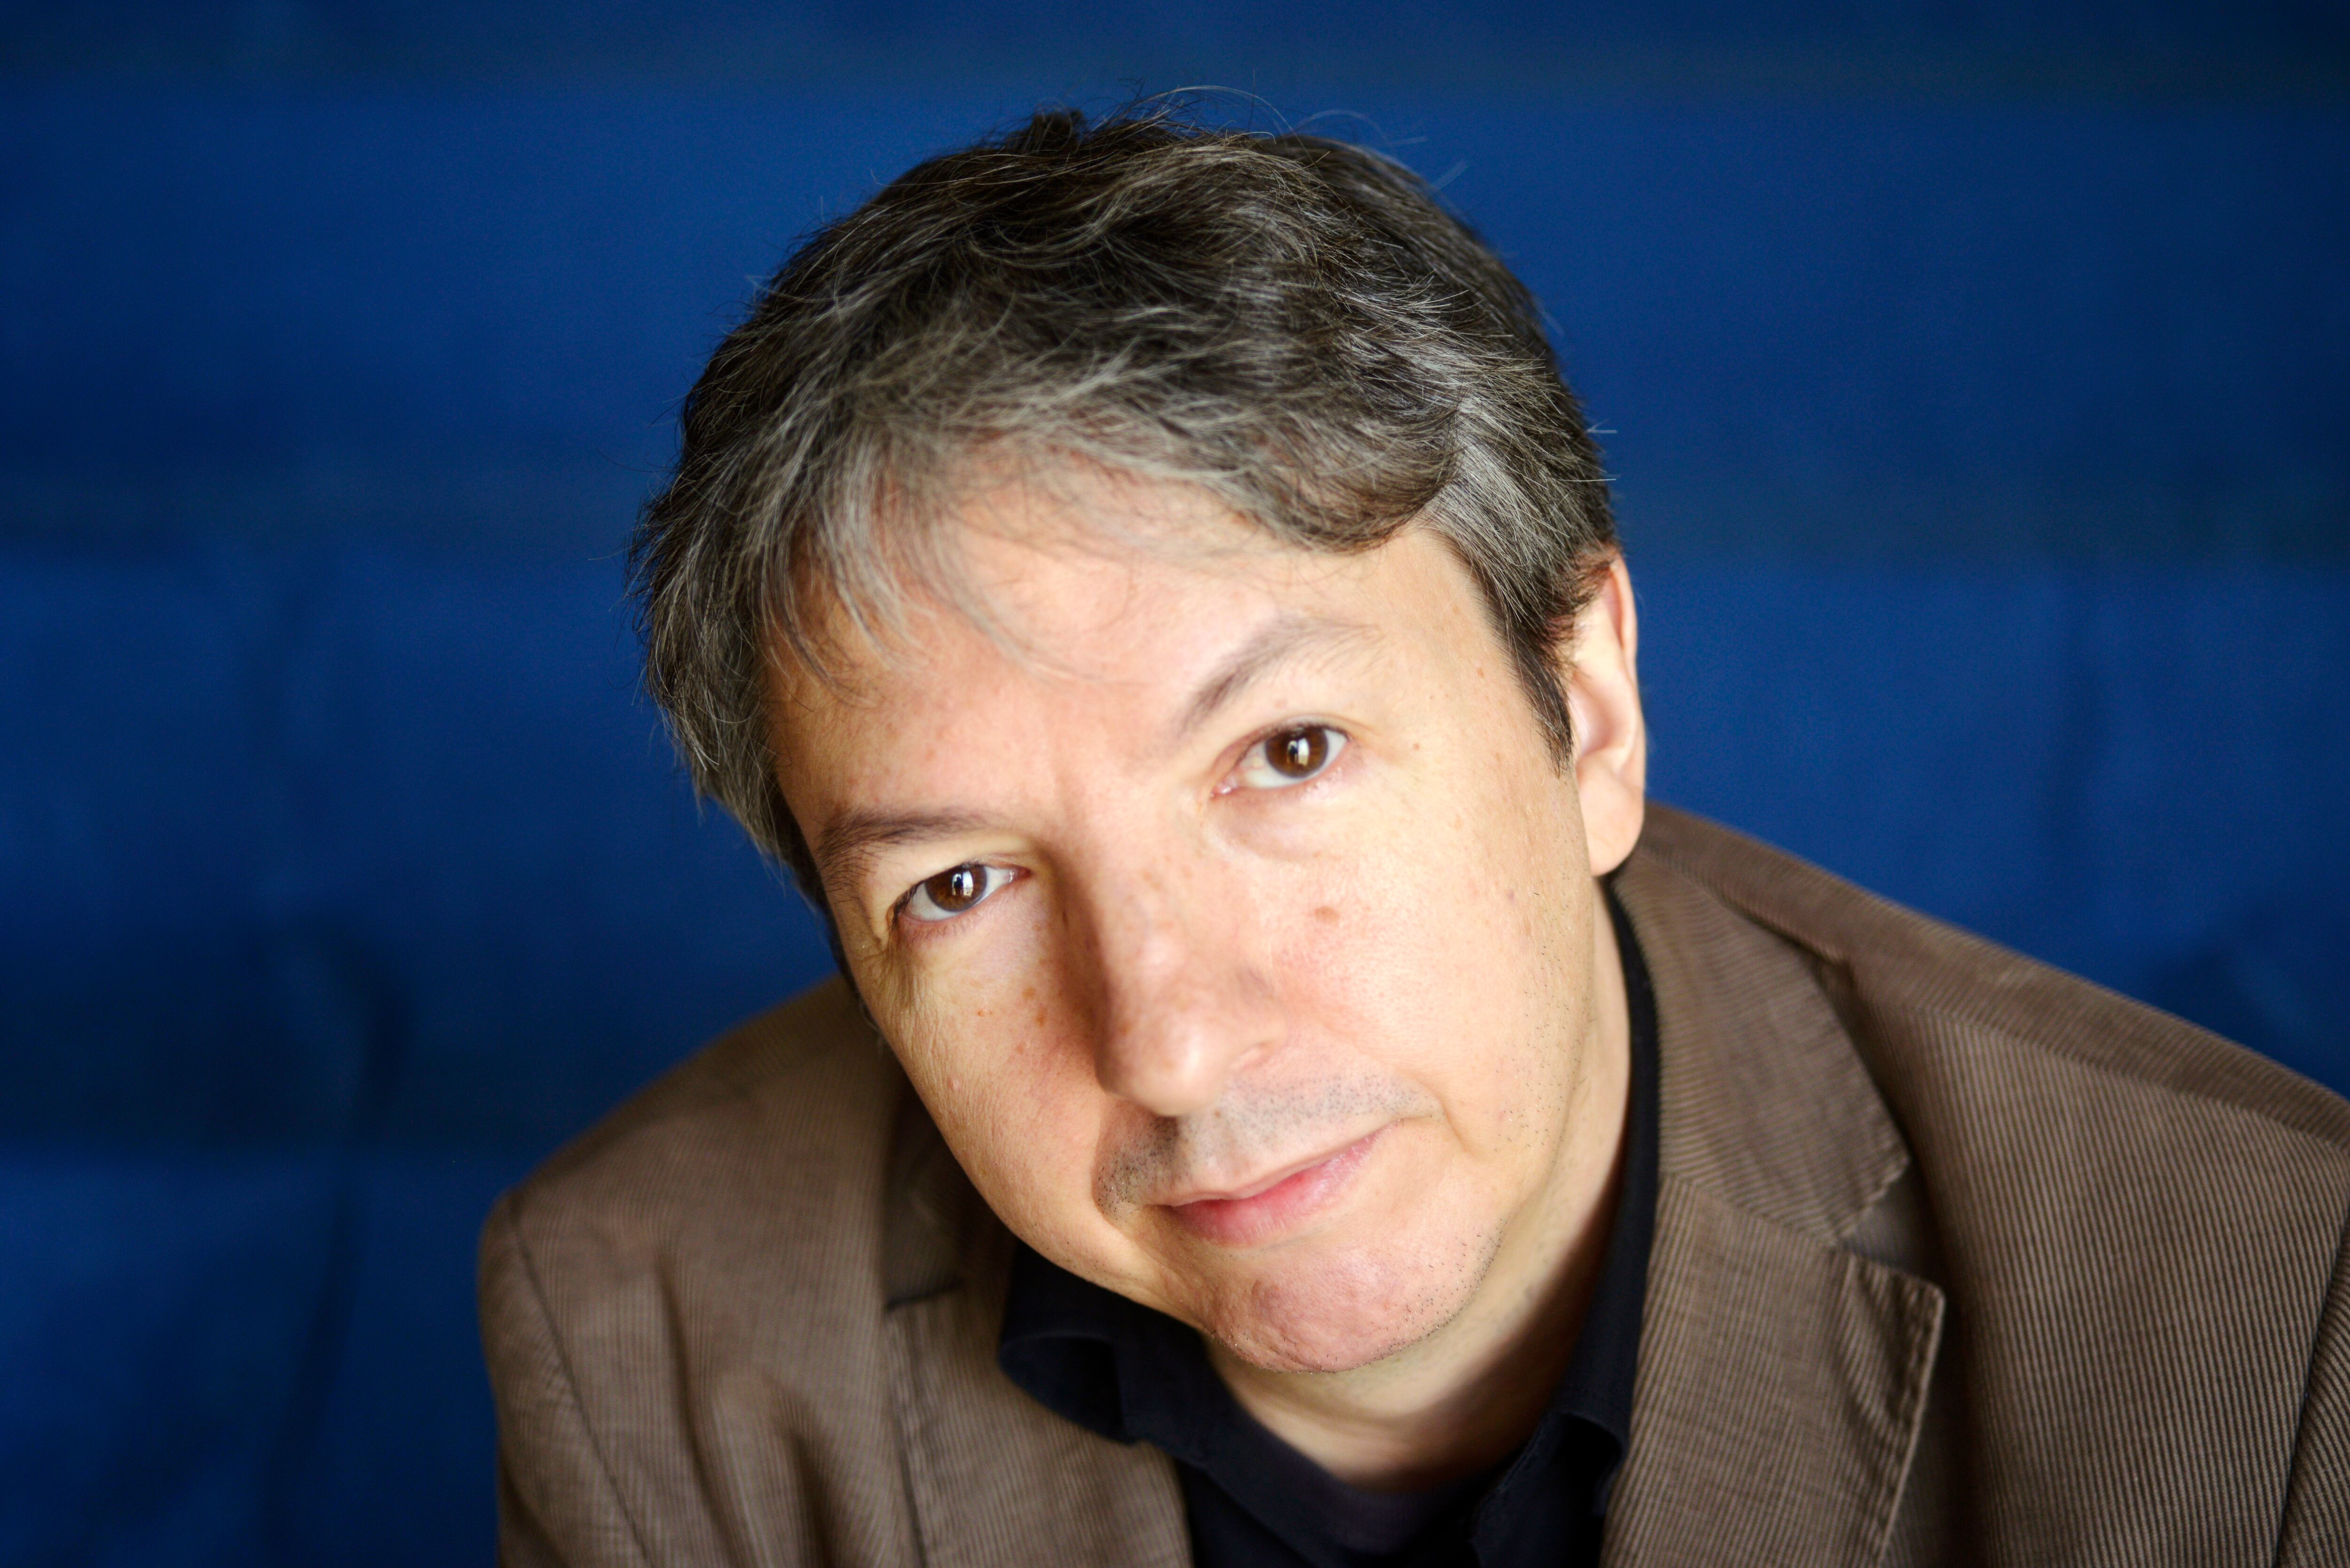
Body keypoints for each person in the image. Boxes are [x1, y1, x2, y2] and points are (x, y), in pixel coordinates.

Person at [478, 108, 2350, 1566]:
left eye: (1285, 754)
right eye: (958, 884)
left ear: (1584, 708)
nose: (1169, 1039)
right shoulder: (648, 1331)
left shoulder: (2273, 1327)